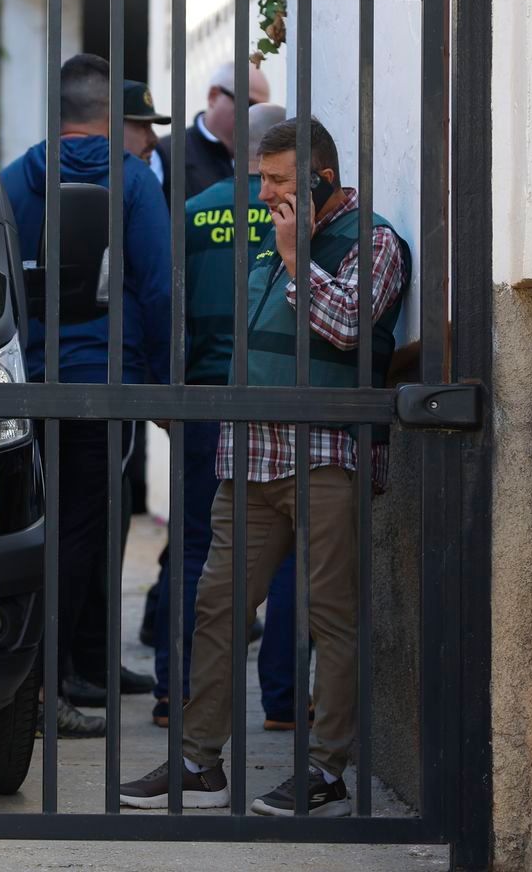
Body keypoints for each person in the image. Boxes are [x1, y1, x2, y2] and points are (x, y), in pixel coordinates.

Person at [119, 117, 409, 816]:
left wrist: (290, 256)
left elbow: (347, 326)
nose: (263, 191)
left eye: (277, 180)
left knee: (329, 616)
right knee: (216, 608)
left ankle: (327, 773)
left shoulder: (374, 241)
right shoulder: (273, 242)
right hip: (249, 459)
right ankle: (199, 763)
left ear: (320, 178)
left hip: (324, 456)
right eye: (261, 177)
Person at [2, 54, 173, 739]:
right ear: (109, 116)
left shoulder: (15, 178)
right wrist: (163, 386)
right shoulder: (133, 182)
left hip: (26, 387)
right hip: (105, 388)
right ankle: (51, 687)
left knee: (30, 534)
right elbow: (159, 288)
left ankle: (33, 683)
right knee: (83, 537)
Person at [149, 100, 308, 734]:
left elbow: (167, 301)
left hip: (204, 398)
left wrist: (170, 386)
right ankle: (285, 700)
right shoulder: (293, 212)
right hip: (277, 399)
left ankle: (176, 692)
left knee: (194, 548)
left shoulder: (193, 211)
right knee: (293, 545)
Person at [181, 62, 272, 200]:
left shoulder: (267, 158)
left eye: (259, 109)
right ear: (213, 96)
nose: (253, 115)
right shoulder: (168, 155)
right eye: (248, 104)